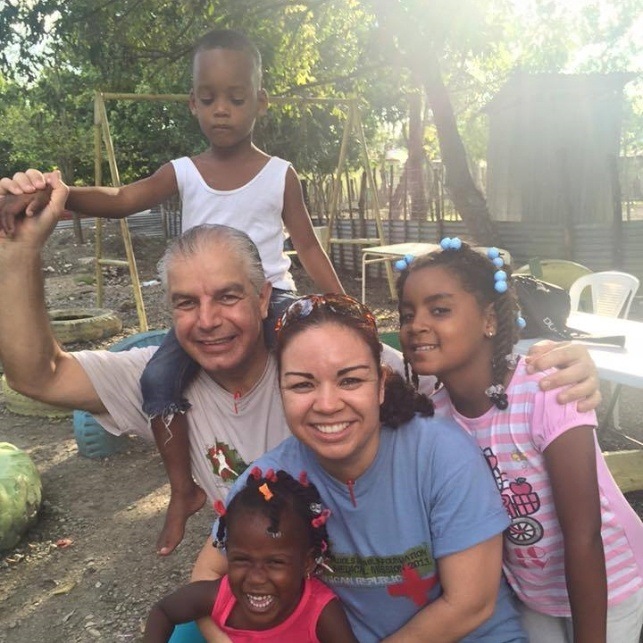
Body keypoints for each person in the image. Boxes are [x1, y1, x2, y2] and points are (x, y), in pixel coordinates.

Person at [0, 175, 600, 549]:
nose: (207, 320)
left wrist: (546, 366)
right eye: (186, 303)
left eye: (228, 296)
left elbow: (454, 363)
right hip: (269, 589)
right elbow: (37, 375)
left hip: (372, 591)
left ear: (264, 298)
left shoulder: (329, 366)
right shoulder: (157, 382)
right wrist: (19, 254)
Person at [0, 28, 344, 556]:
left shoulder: (280, 175)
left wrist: (342, 305)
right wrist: (61, 196)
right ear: (192, 104)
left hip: (272, 298)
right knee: (160, 376)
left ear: (261, 102)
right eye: (208, 99)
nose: (221, 110)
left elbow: (309, 248)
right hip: (213, 299)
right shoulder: (184, 172)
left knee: (315, 365)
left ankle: (325, 480)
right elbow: (121, 197)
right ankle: (182, 486)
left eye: (236, 97)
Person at [191, 293, 529, 642]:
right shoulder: (273, 480)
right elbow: (206, 573)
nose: (326, 404)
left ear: (381, 385)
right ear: (281, 392)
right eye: (303, 384)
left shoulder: (440, 454)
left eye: (350, 380)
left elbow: (470, 604)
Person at [395, 238, 643, 643]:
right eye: (408, 313)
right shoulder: (434, 417)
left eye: (439, 309)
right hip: (531, 592)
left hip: (607, 583)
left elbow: (583, 533)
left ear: (489, 319)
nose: (416, 324)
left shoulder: (550, 390)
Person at [144, 469, 357, 643]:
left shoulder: (321, 612)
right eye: (242, 560)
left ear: (307, 563)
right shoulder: (220, 597)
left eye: (275, 562)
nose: (255, 578)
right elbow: (163, 612)